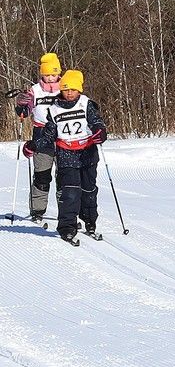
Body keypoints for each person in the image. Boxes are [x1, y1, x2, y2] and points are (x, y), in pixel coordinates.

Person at [25, 69, 107, 245]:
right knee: (70, 192)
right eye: (66, 89)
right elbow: (48, 135)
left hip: (87, 153)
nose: (69, 93)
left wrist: (101, 132)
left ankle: (89, 220)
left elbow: (97, 123)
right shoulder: (54, 109)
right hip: (66, 154)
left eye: (73, 89)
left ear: (79, 90)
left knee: (89, 190)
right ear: (61, 89)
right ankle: (67, 227)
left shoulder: (86, 104)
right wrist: (33, 145)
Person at [14, 52, 62, 223]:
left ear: (59, 74)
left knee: (65, 175)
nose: (50, 78)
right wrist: (21, 105)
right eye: (47, 75)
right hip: (41, 133)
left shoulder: (66, 88)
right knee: (42, 174)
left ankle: (66, 211)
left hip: (63, 135)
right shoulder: (35, 90)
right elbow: (25, 111)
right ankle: (37, 210)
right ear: (42, 74)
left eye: (53, 74)